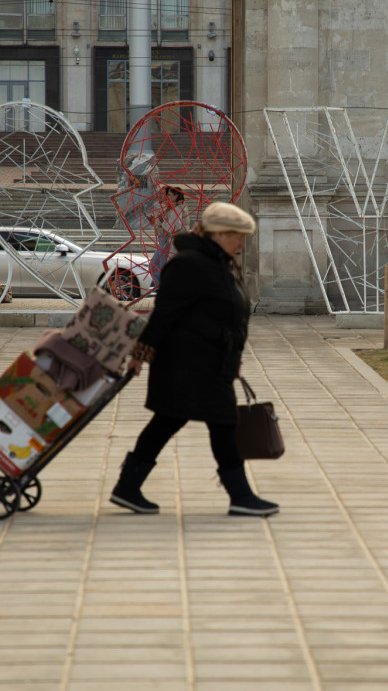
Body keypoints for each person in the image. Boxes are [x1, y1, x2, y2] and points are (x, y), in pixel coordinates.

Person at [109, 201, 279, 517]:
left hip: (209, 363)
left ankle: (128, 487)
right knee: (222, 424)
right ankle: (240, 495)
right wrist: (139, 356)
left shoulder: (217, 263)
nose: (241, 243)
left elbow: (226, 315)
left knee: (167, 422)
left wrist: (233, 356)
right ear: (217, 233)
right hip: (188, 365)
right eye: (237, 236)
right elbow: (164, 316)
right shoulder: (189, 264)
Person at [148, 185, 185, 286]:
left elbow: (173, 226)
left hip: (168, 239)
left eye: (166, 194)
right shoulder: (166, 206)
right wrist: (154, 222)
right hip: (164, 238)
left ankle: (164, 288)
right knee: (157, 267)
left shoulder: (174, 208)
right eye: (160, 193)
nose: (162, 195)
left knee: (158, 266)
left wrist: (160, 222)